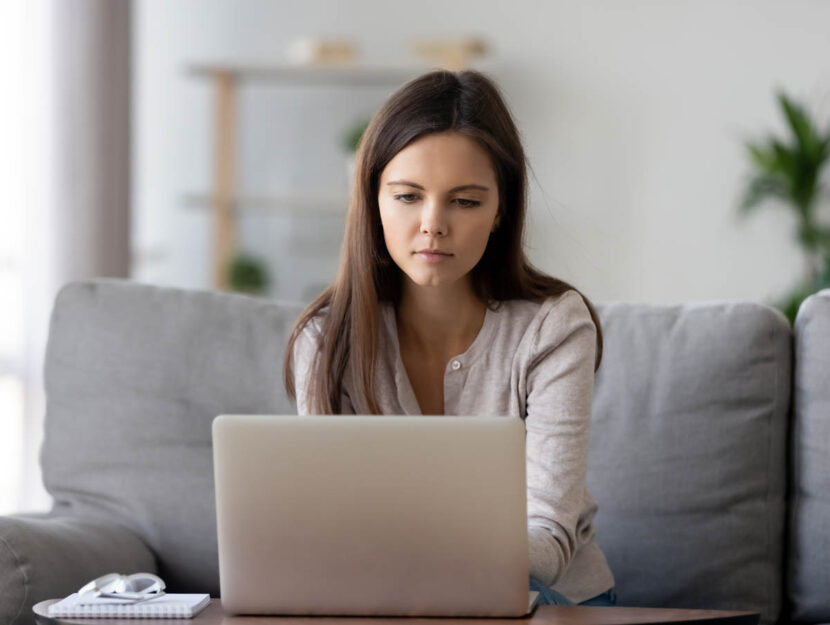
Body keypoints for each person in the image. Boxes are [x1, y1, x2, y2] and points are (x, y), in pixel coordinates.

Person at [283, 69, 616, 606]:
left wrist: (414, 562)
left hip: (544, 598)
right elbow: (328, 532)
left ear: (500, 210)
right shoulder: (326, 340)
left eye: (464, 201)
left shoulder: (555, 326)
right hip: (387, 601)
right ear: (373, 200)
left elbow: (550, 545)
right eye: (408, 196)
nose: (433, 224)